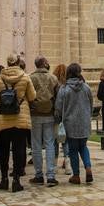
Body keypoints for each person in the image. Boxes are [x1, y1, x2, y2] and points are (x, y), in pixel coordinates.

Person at [0, 53, 35, 192]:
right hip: (20, 119)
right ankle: (16, 180)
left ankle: (4, 179)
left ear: (8, 63)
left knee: (4, 150)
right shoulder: (25, 77)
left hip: (3, 119)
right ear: (18, 62)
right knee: (19, 150)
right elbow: (32, 96)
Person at [55, 62, 93, 185]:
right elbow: (91, 104)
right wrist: (88, 116)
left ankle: (76, 175)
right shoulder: (86, 87)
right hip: (84, 122)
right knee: (83, 146)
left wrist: (58, 118)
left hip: (70, 123)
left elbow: (58, 107)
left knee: (73, 149)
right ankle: (88, 167)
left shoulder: (64, 89)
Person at [29, 57, 59, 187]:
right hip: (49, 114)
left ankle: (39, 175)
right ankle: (51, 175)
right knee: (50, 144)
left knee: (36, 145)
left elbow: (28, 96)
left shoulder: (31, 78)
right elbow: (57, 96)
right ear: (45, 64)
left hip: (35, 114)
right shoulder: (53, 78)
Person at [53, 63, 69, 170]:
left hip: (56, 115)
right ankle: (67, 163)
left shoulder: (54, 85)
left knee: (55, 140)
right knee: (65, 140)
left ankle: (54, 164)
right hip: (67, 115)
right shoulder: (67, 86)